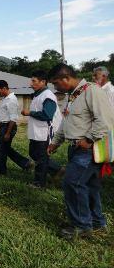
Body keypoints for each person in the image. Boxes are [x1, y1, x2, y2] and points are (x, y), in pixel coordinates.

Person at [47, 63, 114, 239]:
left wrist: (88, 139)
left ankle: (81, 226)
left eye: (56, 83)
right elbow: (66, 122)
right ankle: (97, 222)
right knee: (90, 186)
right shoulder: (75, 95)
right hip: (77, 149)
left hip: (88, 150)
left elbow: (106, 120)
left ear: (65, 78)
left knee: (73, 183)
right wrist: (56, 142)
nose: (55, 87)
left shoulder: (92, 91)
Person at [21, 70, 63, 188]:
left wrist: (30, 112)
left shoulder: (48, 96)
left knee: (41, 158)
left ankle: (39, 183)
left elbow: (47, 115)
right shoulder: (38, 95)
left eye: (34, 81)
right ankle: (57, 169)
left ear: (43, 82)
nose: (31, 84)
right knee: (34, 154)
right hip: (37, 132)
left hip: (44, 132)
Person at [0, 80, 33, 175]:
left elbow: (13, 118)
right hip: (4, 125)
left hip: (8, 126)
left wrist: (7, 133)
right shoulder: (5, 98)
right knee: (5, 149)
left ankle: (1, 172)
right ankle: (25, 163)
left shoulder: (11, 100)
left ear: (4, 88)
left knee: (2, 151)